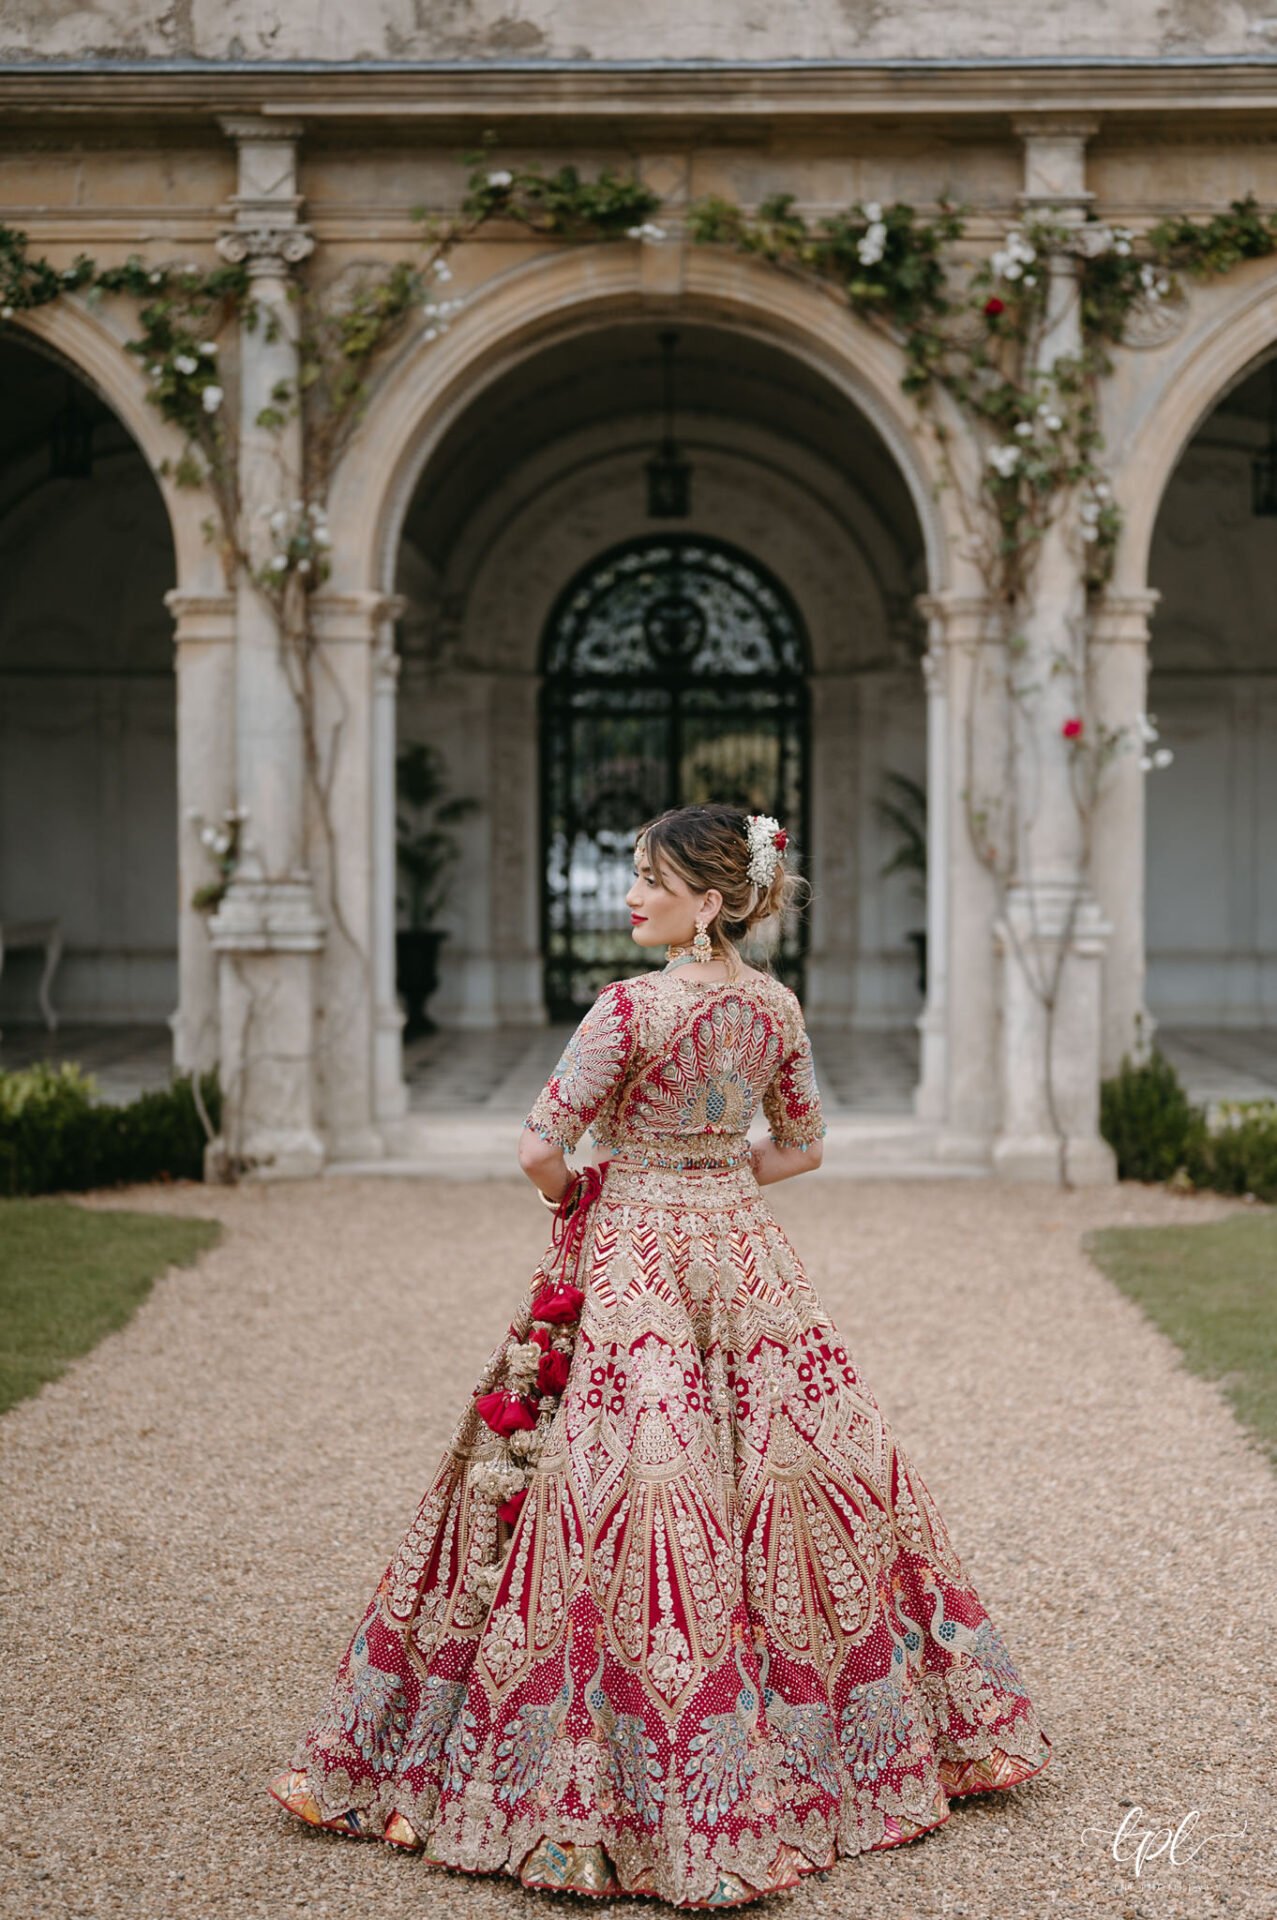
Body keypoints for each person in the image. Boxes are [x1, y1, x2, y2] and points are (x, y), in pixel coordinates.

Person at [266, 801, 1052, 1907]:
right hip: (745, 1256)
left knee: (630, 1487)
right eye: (630, 874)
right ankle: (835, 1758)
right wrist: (717, 1181)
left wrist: (593, 1190)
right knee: (790, 1472)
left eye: (647, 878)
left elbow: (538, 1146)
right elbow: (804, 1147)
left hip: (634, 1254)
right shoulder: (774, 1006)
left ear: (710, 903)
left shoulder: (625, 1011)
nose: (629, 894)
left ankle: (603, 1786)